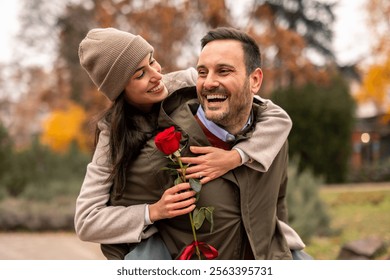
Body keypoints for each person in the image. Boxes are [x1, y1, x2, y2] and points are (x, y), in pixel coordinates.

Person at [75, 27, 300, 259]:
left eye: (152, 61)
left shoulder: (186, 82)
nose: (156, 75)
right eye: (140, 74)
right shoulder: (112, 136)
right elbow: (86, 221)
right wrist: (152, 211)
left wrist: (235, 157)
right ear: (120, 90)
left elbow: (275, 115)